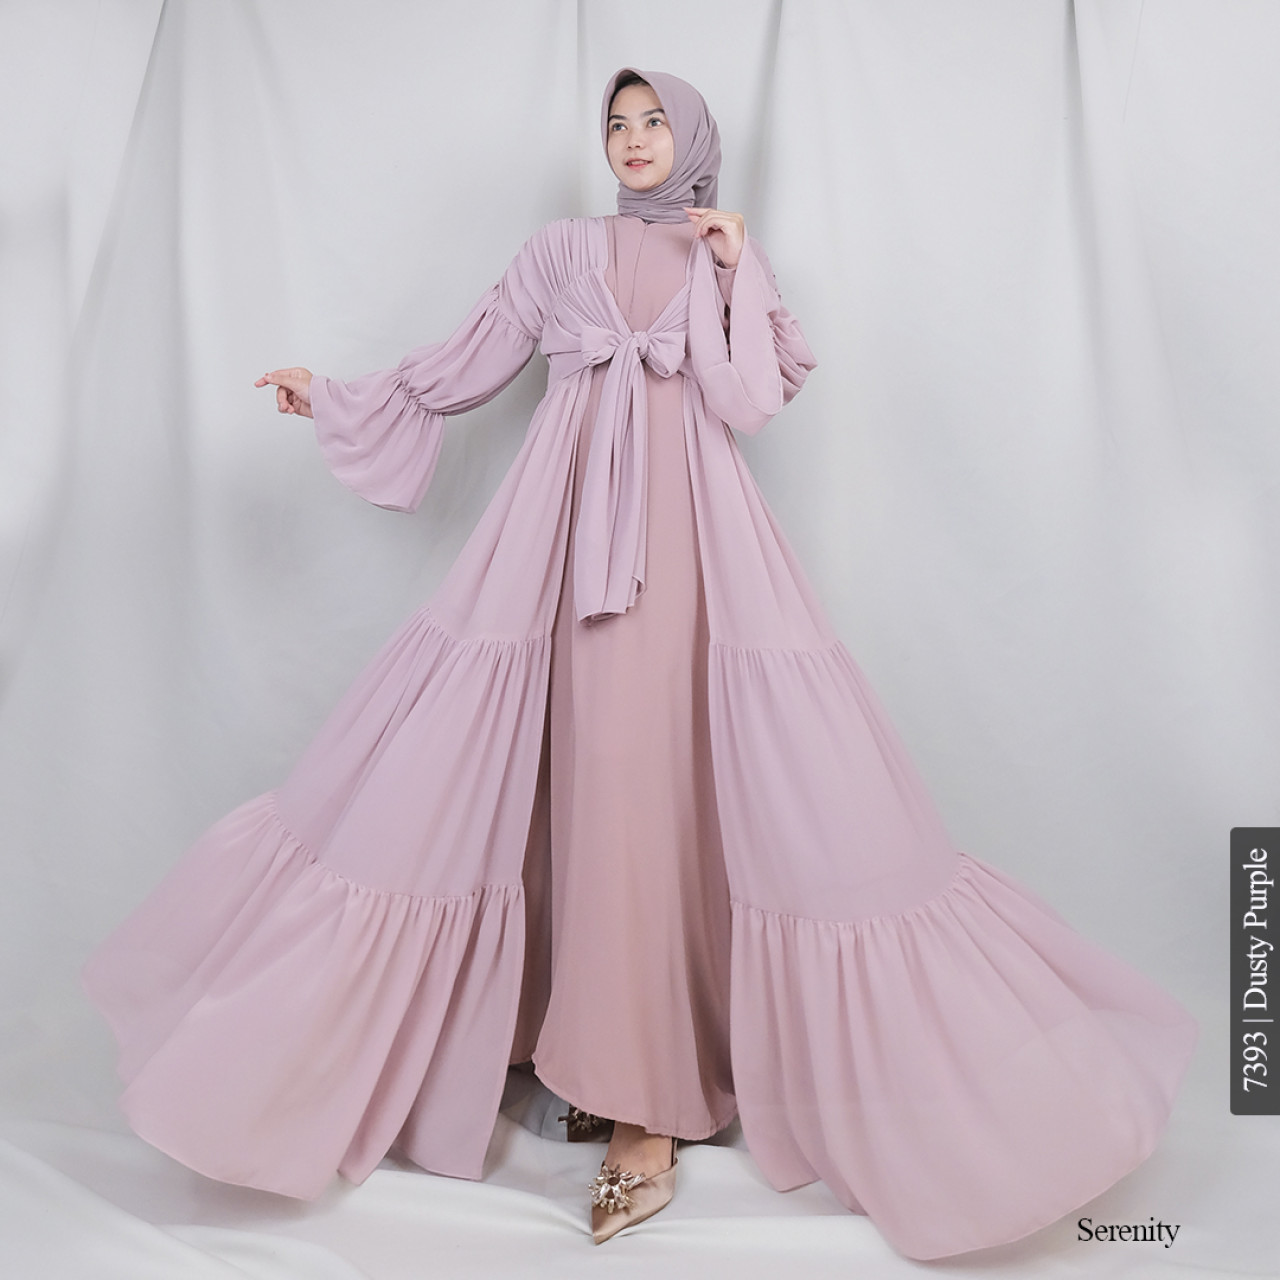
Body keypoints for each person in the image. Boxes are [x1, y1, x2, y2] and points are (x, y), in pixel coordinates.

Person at [84, 68, 1197, 1257]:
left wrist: (737, 267)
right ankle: (567, 1044)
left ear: (691, 137)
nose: (630, 139)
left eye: (652, 120)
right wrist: (333, 393)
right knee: (545, 782)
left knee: (667, 791)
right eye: (615, 123)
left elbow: (747, 397)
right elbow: (466, 362)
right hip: (554, 543)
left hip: (693, 549)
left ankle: (648, 1101)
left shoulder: (718, 252)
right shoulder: (559, 251)